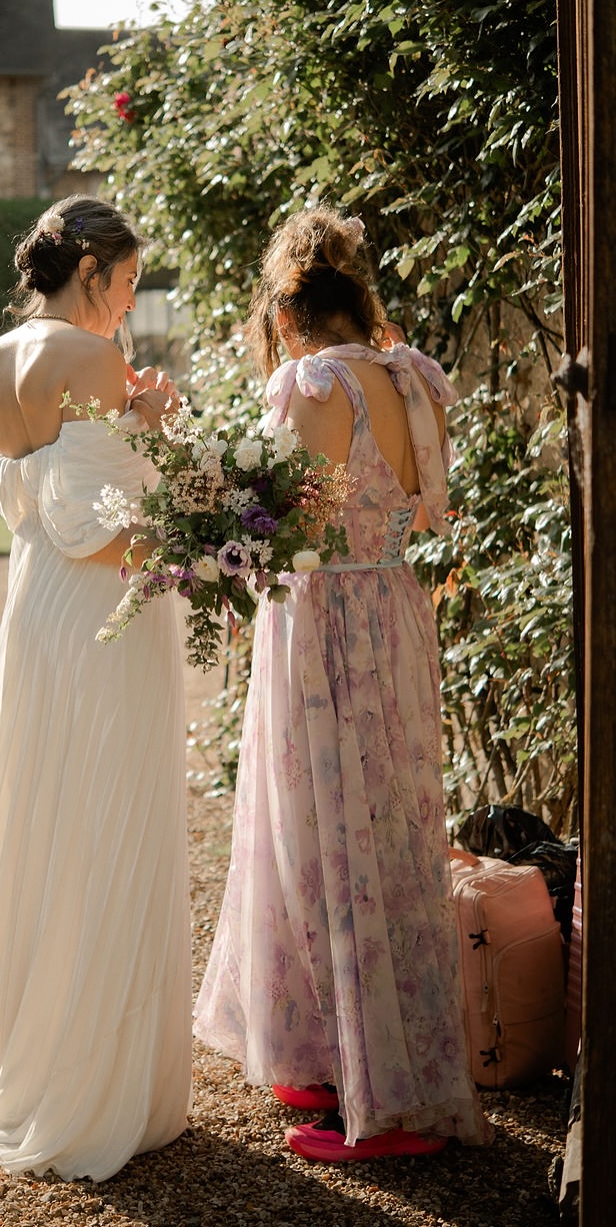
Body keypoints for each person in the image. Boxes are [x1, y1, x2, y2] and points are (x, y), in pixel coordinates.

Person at [193, 205, 493, 1161]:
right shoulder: (415, 381)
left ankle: (380, 1101)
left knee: (320, 840)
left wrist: (208, 531)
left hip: (318, 628)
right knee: (390, 839)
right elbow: (426, 514)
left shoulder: (306, 383)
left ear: (287, 316)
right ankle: (349, 1056)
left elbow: (276, 526)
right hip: (395, 619)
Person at [0, 195, 192, 1181]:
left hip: (33, 610)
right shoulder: (90, 356)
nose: (130, 305)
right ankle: (86, 1073)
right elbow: (100, 528)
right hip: (102, 611)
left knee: (43, 806)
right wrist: (198, 532)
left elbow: (36, 496)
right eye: (128, 282)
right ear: (91, 270)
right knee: (103, 813)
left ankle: (25, 1036)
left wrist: (138, 419)